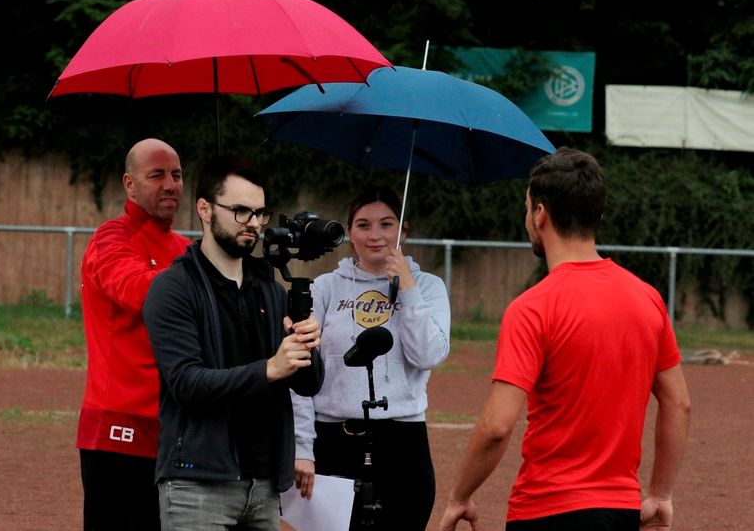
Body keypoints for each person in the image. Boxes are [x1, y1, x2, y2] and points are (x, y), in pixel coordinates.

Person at [440, 147, 692, 531]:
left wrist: (459, 496)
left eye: (527, 209)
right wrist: (660, 494)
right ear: (597, 214)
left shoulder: (532, 308)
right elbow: (679, 403)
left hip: (546, 509)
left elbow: (496, 427)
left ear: (540, 214)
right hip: (620, 511)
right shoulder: (647, 297)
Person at [141, 155, 325, 531]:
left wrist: (307, 348)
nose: (254, 224)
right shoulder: (173, 289)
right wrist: (270, 368)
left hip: (265, 486)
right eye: (240, 211)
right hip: (197, 484)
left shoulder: (272, 291)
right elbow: (186, 383)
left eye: (260, 213)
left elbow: (308, 383)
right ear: (205, 209)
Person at [292, 185, 451, 530]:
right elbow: (300, 372)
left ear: (403, 230)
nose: (375, 235)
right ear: (349, 233)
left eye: (386, 224)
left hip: (403, 445)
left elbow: (428, 354)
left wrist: (407, 287)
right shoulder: (325, 288)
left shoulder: (428, 287)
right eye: (363, 225)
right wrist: (302, 446)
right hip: (334, 443)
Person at [77, 138, 190, 530]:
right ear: (130, 184)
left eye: (176, 175)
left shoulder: (187, 249)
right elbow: (139, 291)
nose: (170, 184)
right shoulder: (111, 238)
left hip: (177, 431)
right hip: (117, 430)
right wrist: (204, 276)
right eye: (156, 175)